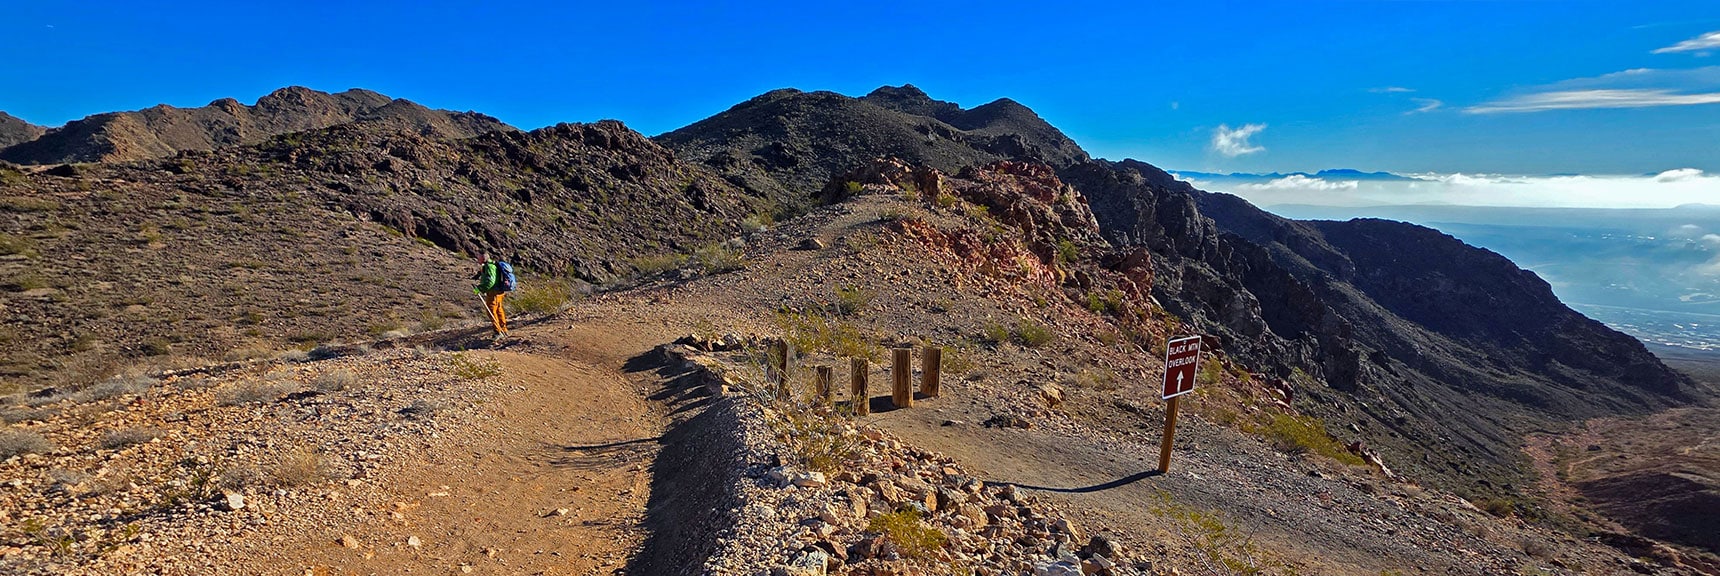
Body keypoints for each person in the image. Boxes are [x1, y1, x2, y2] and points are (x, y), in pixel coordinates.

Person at [472, 253, 508, 338]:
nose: (477, 259)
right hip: (498, 292)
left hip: (494, 293)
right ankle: (503, 330)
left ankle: (498, 332)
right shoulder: (491, 265)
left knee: (491, 312)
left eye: (479, 257)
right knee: (499, 311)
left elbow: (490, 282)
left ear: (483, 258)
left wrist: (479, 288)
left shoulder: (489, 267)